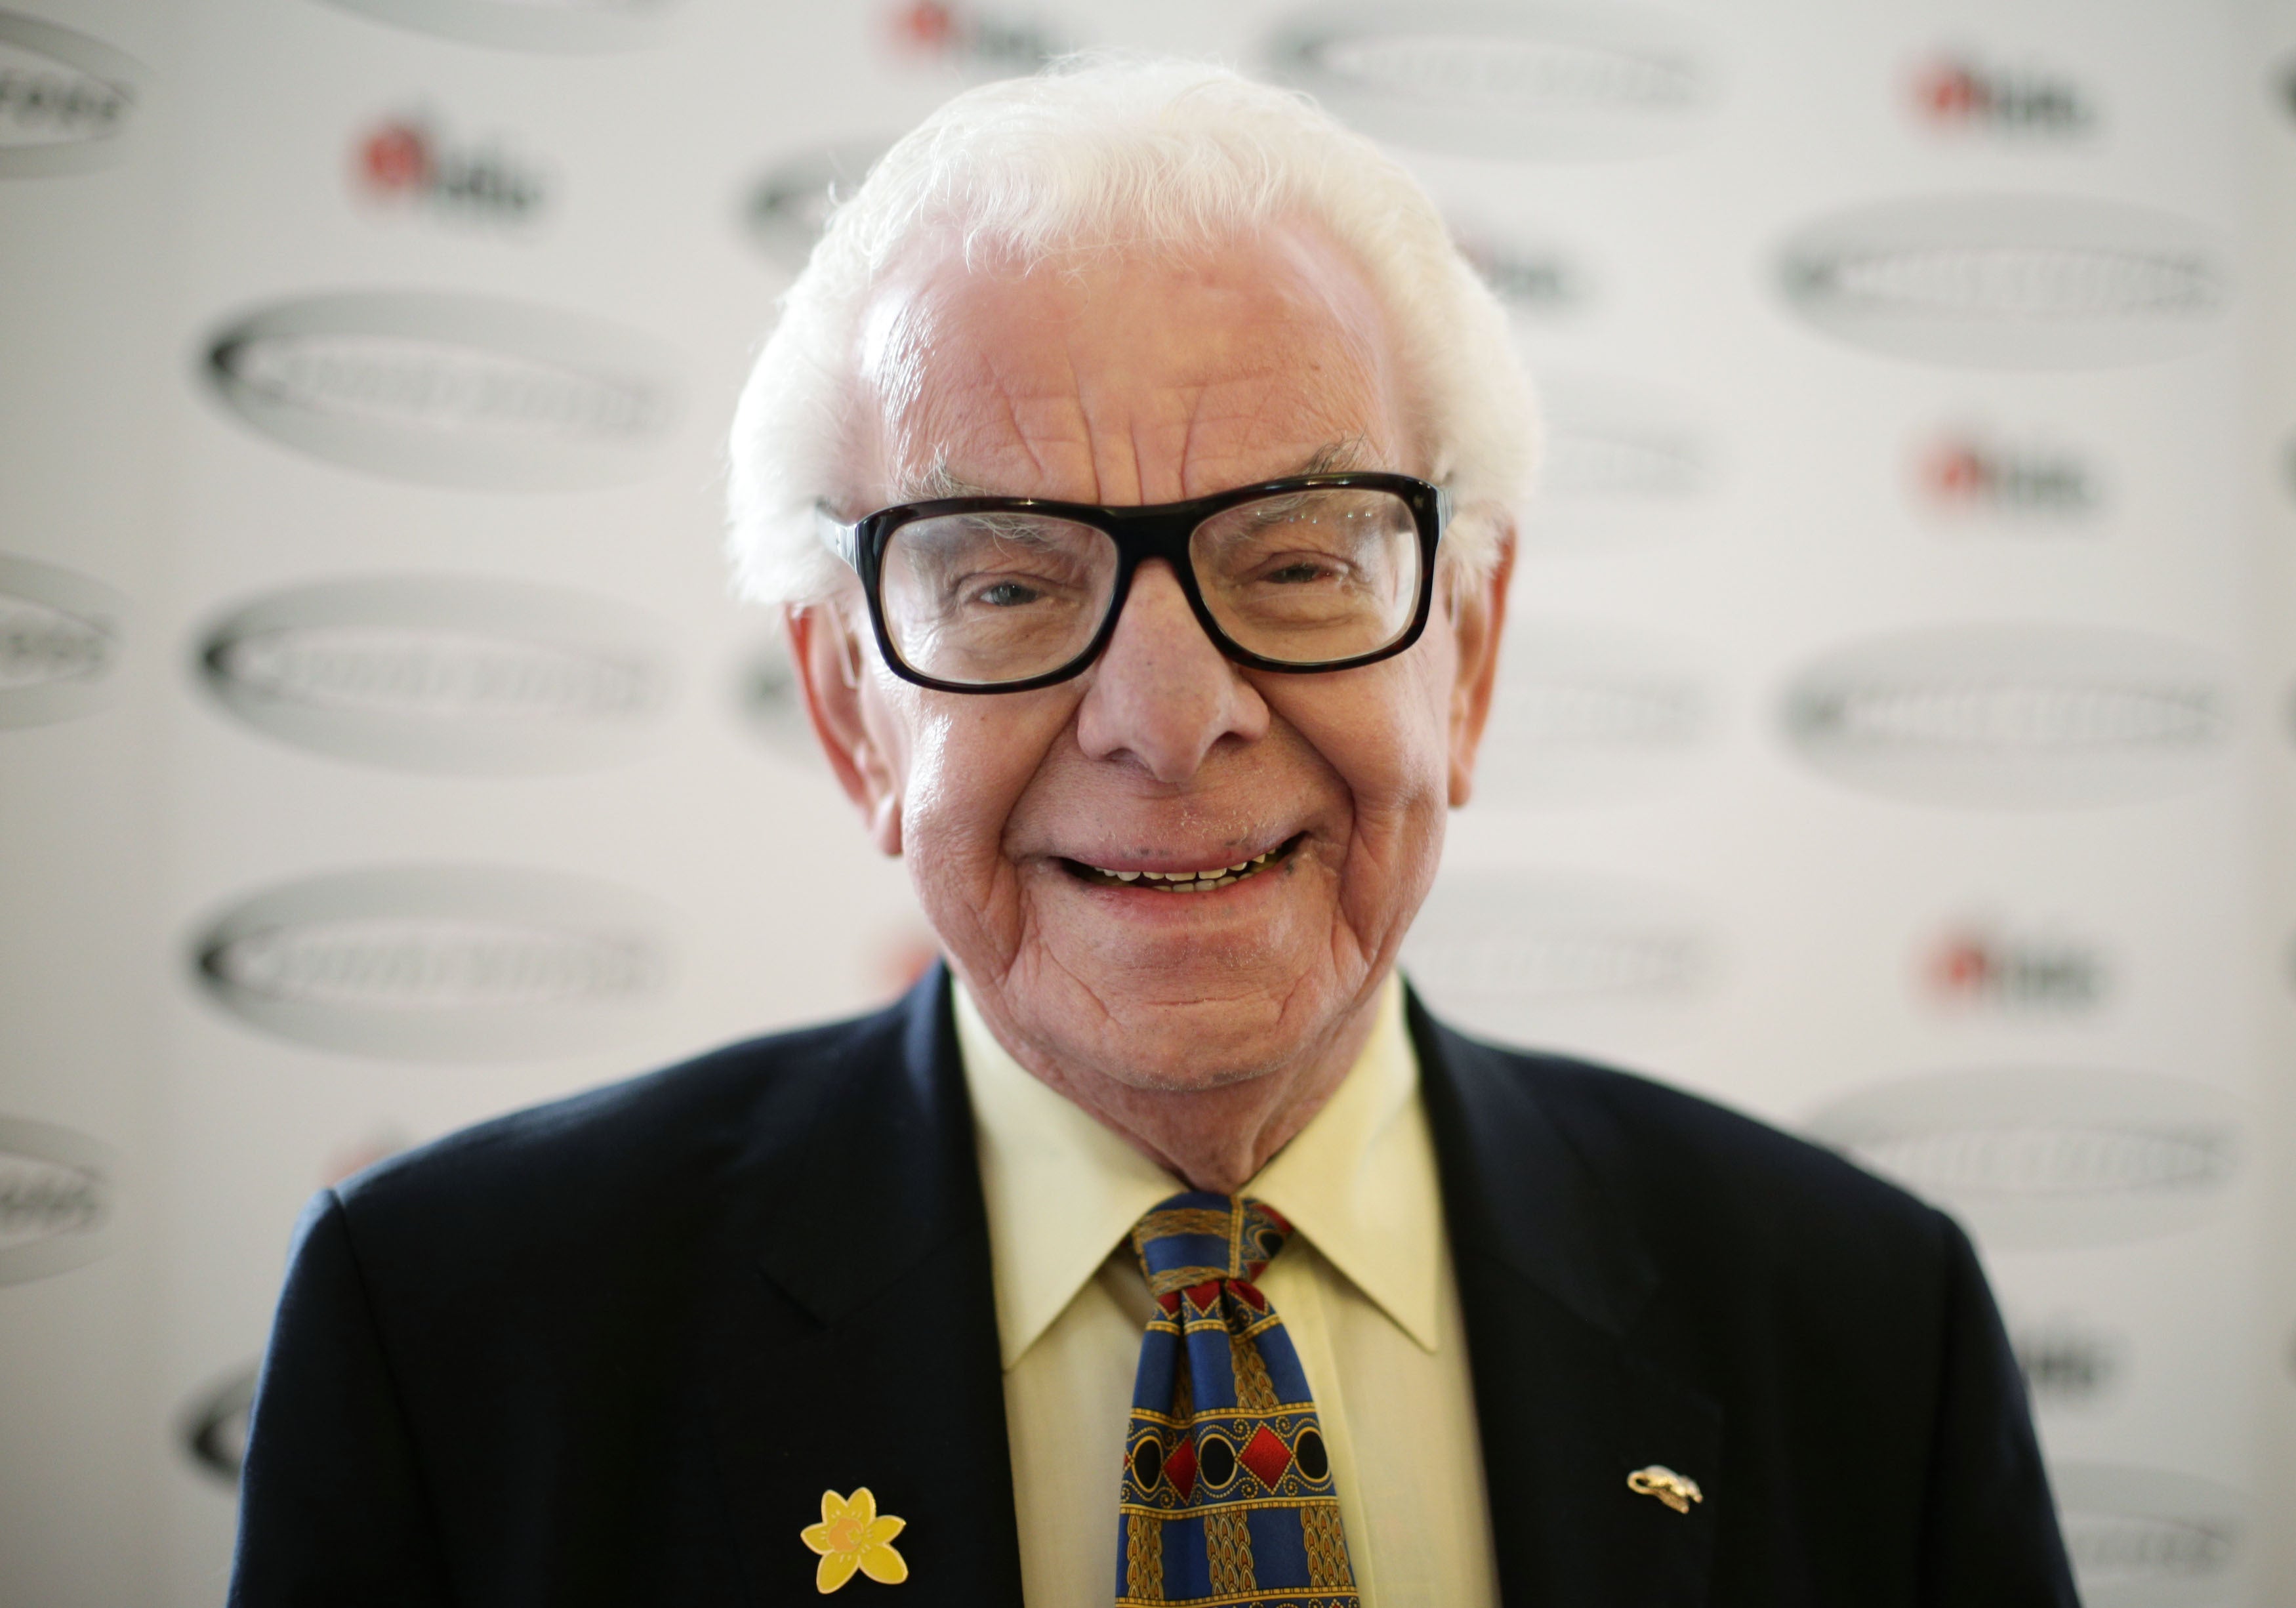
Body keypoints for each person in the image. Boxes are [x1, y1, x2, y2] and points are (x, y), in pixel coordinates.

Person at [228, 58, 2077, 1608]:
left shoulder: (1855, 1326)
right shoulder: (463, 1340)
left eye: (1290, 559)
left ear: (1475, 651)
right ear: (848, 706)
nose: (1164, 713)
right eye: (1013, 582)